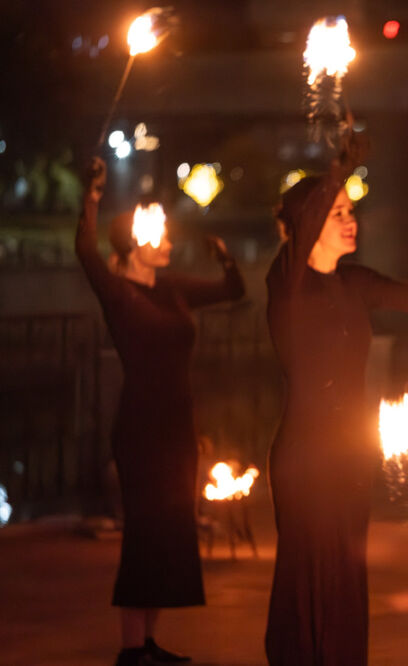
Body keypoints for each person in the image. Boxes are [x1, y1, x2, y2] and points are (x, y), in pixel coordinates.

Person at [263, 165, 408, 666]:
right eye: (338, 212)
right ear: (308, 221)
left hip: (350, 454)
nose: (352, 221)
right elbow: (301, 237)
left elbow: (406, 293)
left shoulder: (353, 282)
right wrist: (339, 168)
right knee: (310, 566)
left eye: (352, 211)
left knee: (347, 567)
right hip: (305, 456)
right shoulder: (288, 282)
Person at [75, 157, 246, 666]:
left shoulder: (172, 289)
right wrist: (92, 195)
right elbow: (84, 249)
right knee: (145, 535)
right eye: (158, 235)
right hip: (142, 430)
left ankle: (148, 642)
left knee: (172, 533)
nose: (167, 240)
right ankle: (131, 648)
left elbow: (233, 291)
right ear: (133, 246)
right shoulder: (118, 291)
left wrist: (227, 258)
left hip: (178, 426)